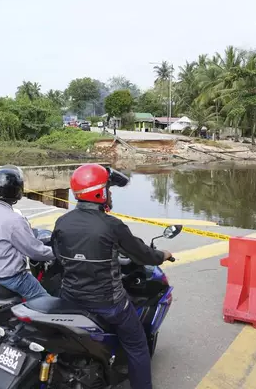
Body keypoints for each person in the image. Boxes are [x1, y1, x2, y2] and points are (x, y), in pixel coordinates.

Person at [51, 163, 174, 389]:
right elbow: (142, 254)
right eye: (108, 189)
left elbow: (59, 257)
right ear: (99, 192)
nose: (109, 194)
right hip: (108, 303)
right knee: (137, 344)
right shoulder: (112, 225)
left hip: (69, 298)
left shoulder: (63, 222)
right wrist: (163, 254)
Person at [0, 166, 54, 299]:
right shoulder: (14, 219)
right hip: (11, 278)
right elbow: (34, 251)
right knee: (46, 302)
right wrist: (57, 253)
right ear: (18, 190)